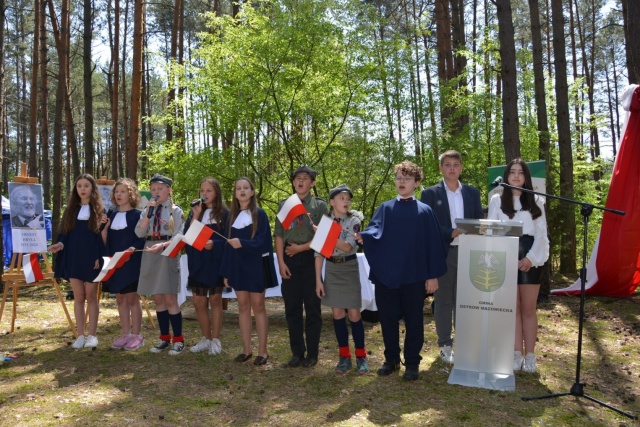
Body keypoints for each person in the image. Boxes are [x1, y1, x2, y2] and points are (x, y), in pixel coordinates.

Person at [355, 161, 447, 381]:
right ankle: (392, 360)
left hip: (414, 276)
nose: (402, 182)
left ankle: (412, 363)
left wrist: (432, 275)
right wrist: (364, 237)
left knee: (414, 320)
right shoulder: (385, 208)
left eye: (407, 178)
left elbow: (433, 245)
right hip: (387, 275)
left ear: (416, 183)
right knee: (387, 319)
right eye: (398, 178)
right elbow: (374, 231)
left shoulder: (425, 211)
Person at [420, 150, 483, 364]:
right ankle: (445, 345)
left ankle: (465, 343)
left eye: (456, 164)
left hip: (469, 252)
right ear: (441, 168)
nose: (452, 168)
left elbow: (478, 220)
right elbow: (428, 226)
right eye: (447, 165)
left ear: (461, 168)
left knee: (466, 301)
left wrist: (475, 231)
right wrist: (451, 232)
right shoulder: (430, 194)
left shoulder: (472, 193)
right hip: (443, 253)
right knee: (443, 300)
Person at [487, 158, 549, 373]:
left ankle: (530, 355)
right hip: (506, 254)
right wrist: (506, 256)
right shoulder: (496, 200)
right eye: (512, 172)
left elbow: (541, 234)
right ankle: (515, 353)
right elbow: (492, 231)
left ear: (526, 177)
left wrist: (530, 258)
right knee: (512, 308)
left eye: (520, 172)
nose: (515, 176)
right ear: (506, 176)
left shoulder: (537, 200)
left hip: (531, 255)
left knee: (528, 309)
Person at [274, 165, 328, 368]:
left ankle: (312, 354)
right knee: (292, 308)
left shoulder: (319, 206)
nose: (300, 181)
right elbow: (279, 235)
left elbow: (324, 237)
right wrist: (281, 263)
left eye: (305, 178)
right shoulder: (285, 205)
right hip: (289, 258)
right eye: (297, 178)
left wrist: (301, 248)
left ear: (312, 183)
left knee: (313, 309)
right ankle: (297, 352)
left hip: (311, 259)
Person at [221, 177, 278, 366]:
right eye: (239, 188)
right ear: (235, 193)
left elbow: (263, 241)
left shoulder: (259, 214)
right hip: (238, 267)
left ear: (252, 192)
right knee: (243, 307)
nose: (242, 190)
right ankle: (246, 350)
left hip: (255, 266)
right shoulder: (231, 217)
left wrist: (243, 243)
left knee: (258, 306)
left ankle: (263, 351)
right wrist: (227, 272)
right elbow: (227, 246)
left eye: (246, 187)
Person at [48, 174, 106, 349]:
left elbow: (101, 238)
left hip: (92, 258)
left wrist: (98, 256)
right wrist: (59, 244)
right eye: (79, 186)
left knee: (91, 296)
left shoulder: (100, 211)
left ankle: (92, 336)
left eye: (86, 186)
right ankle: (80, 335)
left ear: (92, 188)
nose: (82, 189)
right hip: (73, 257)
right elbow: (64, 234)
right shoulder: (70, 211)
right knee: (79, 297)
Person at [315, 184, 368, 375]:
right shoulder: (325, 222)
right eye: (341, 198)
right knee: (337, 314)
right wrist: (318, 280)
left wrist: (326, 234)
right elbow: (319, 254)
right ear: (332, 202)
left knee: (354, 314)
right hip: (332, 269)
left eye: (348, 199)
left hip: (348, 269)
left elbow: (347, 247)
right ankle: (344, 357)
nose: (346, 201)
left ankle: (361, 356)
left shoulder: (353, 220)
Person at [135, 174, 185, 355]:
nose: (156, 192)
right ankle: (164, 338)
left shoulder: (175, 211)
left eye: (160, 189)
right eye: (153, 189)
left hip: (167, 251)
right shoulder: (147, 209)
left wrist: (163, 245)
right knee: (157, 298)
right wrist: (147, 213)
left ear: (168, 190)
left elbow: (179, 236)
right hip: (150, 250)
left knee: (170, 298)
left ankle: (178, 339)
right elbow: (139, 233)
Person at [184, 178, 229, 356]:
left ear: (216, 193)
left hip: (216, 262)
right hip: (198, 262)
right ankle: (206, 338)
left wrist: (215, 244)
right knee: (198, 301)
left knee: (216, 300)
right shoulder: (195, 213)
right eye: (202, 191)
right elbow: (188, 237)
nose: (205, 194)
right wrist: (195, 216)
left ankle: (216, 339)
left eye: (209, 190)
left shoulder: (225, 213)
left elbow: (229, 239)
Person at [101, 178, 146, 351]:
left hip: (131, 261)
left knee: (132, 298)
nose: (119, 195)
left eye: (123, 191)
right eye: (116, 192)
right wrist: (104, 229)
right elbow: (105, 241)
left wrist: (131, 250)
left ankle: (137, 335)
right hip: (114, 261)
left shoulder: (137, 215)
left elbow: (141, 237)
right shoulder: (111, 215)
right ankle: (125, 334)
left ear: (131, 194)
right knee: (120, 298)